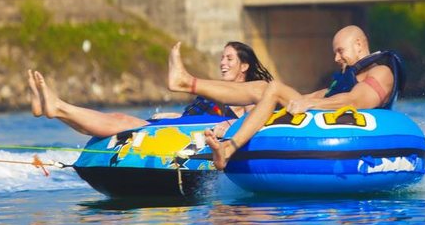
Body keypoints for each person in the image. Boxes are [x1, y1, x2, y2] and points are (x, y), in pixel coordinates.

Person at [167, 25, 404, 169]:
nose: (336, 58)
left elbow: (355, 101)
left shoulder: (380, 72)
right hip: (325, 122)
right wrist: (237, 121)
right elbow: (313, 96)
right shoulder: (346, 76)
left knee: (274, 89)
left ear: (359, 45)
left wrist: (309, 102)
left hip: (357, 137)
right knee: (265, 88)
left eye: (340, 51)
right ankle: (188, 82)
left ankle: (229, 149)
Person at [29, 41, 272, 138]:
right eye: (222, 57)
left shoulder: (251, 95)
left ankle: (59, 107)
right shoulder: (219, 91)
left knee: (121, 121)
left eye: (229, 58)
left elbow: (256, 118)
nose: (222, 63)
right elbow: (198, 116)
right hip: (180, 128)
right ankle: (55, 109)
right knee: (116, 120)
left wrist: (231, 125)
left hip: (189, 138)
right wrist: (177, 117)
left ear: (245, 66)